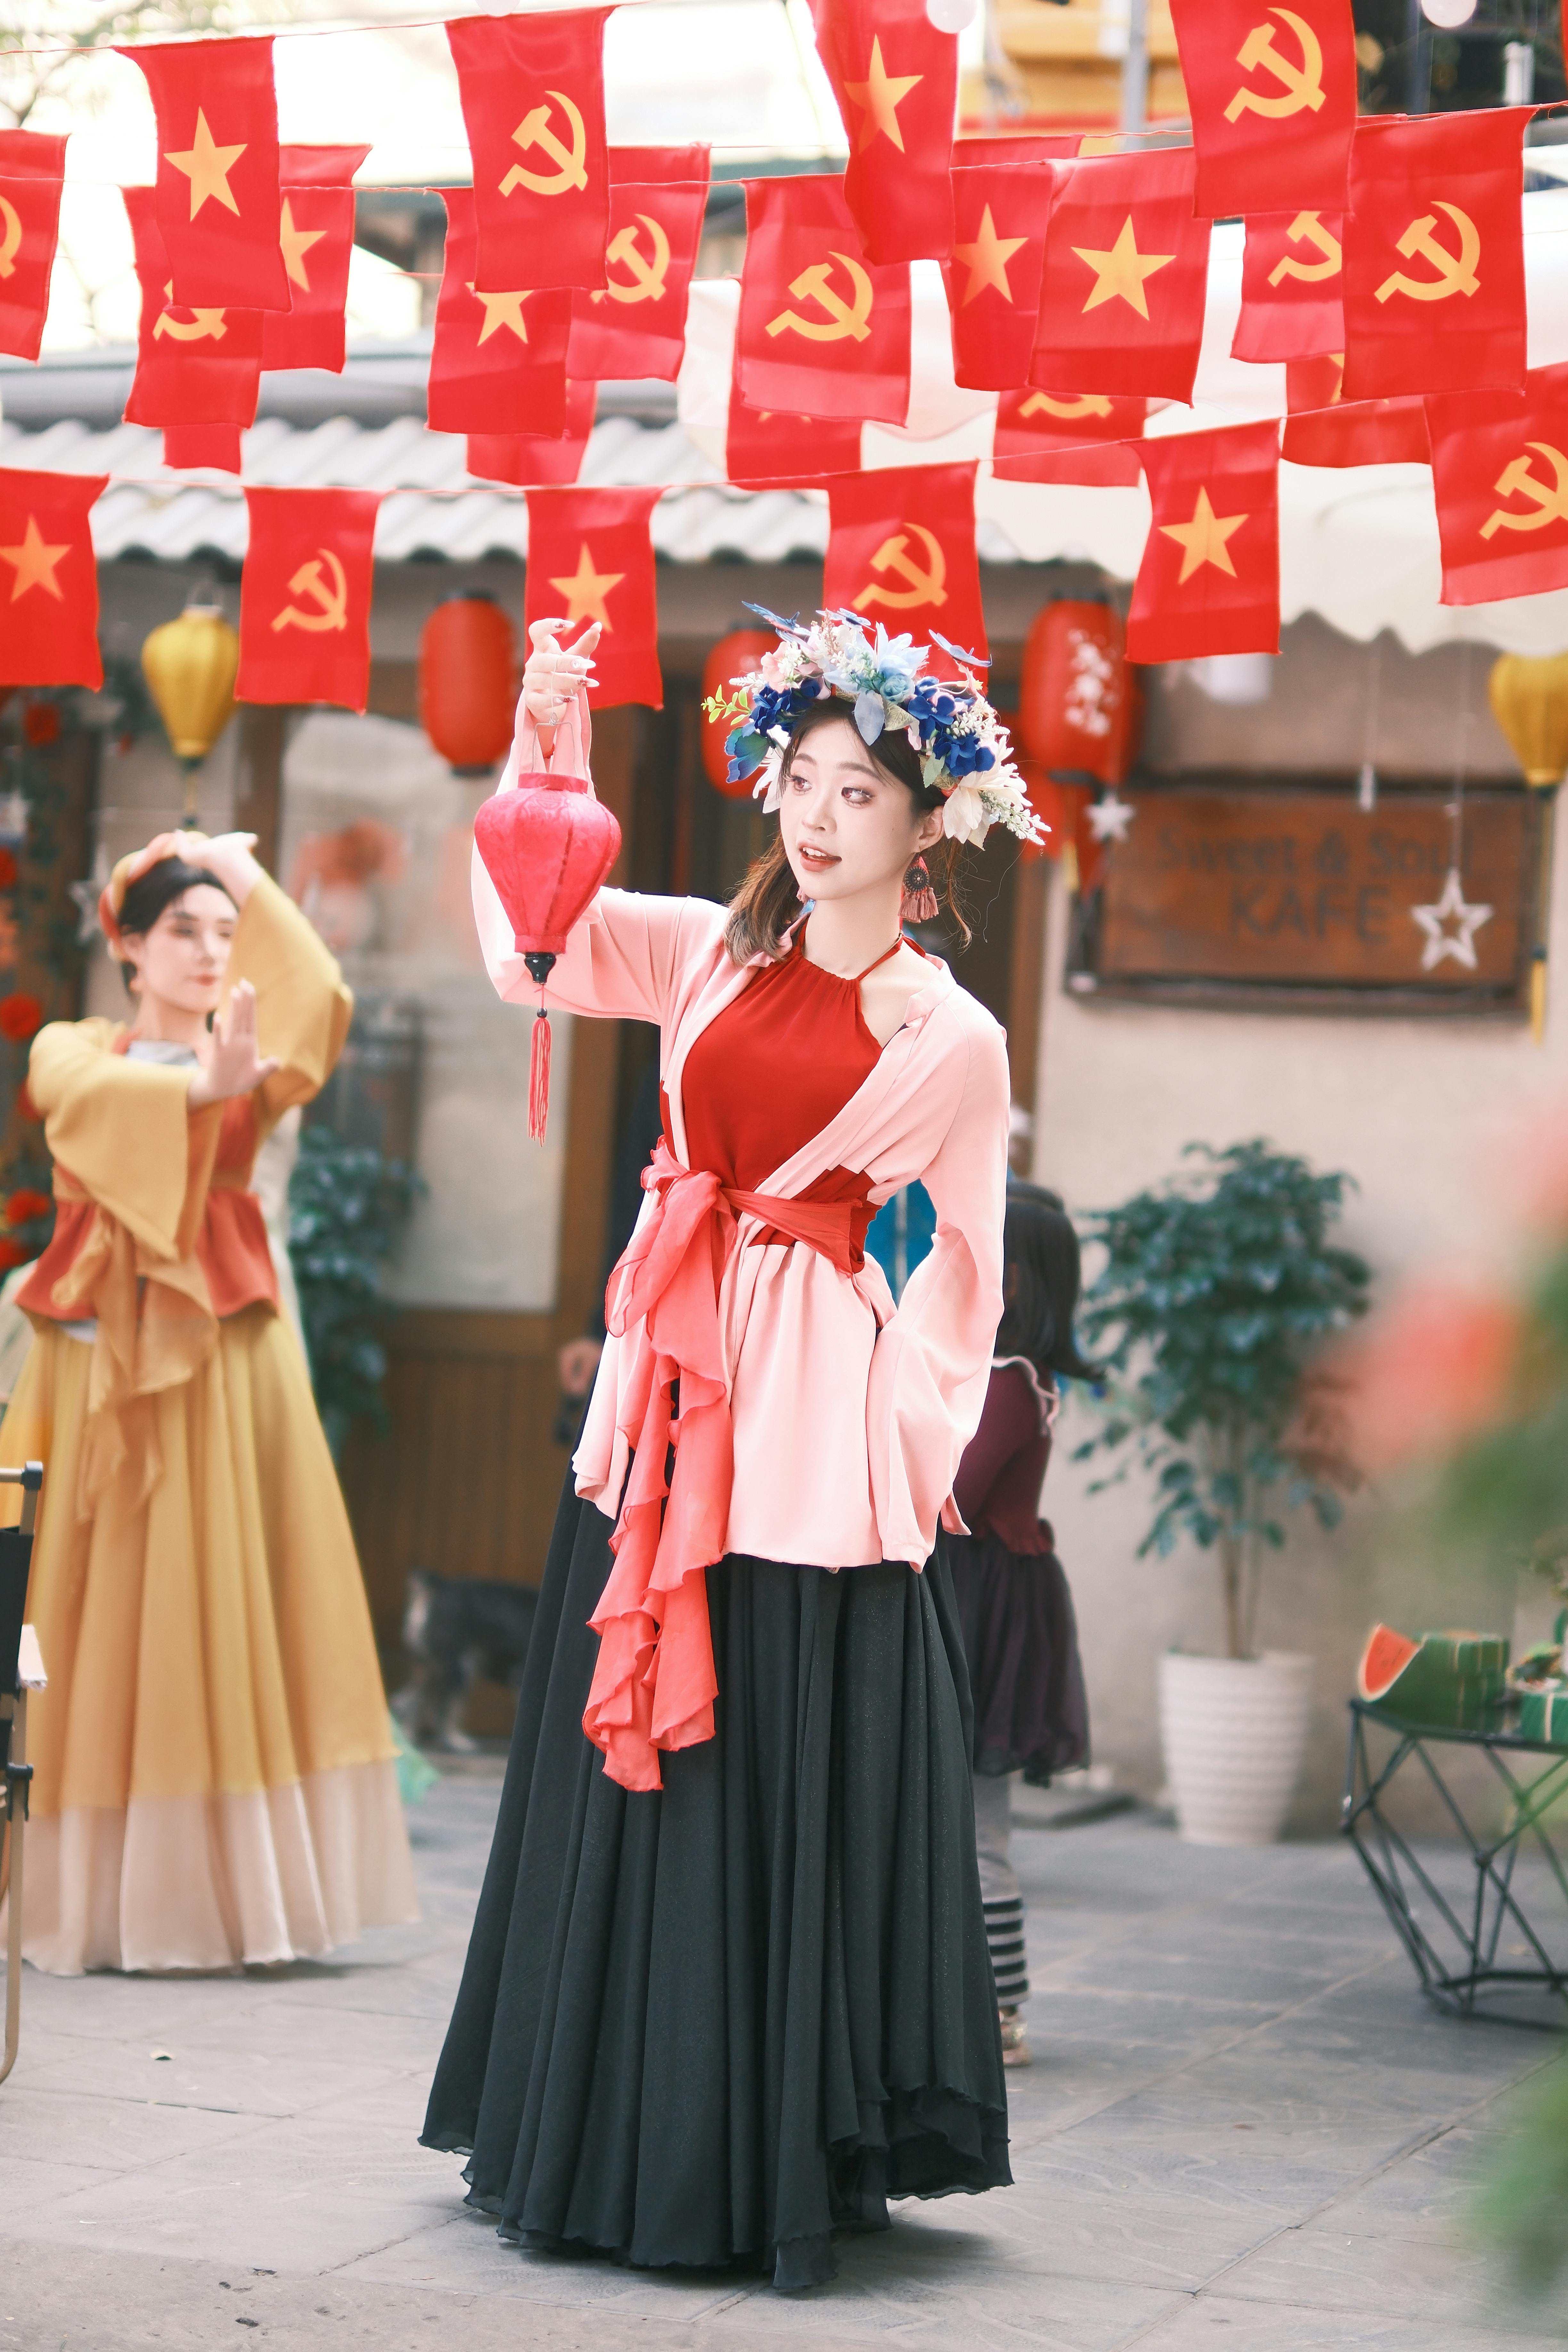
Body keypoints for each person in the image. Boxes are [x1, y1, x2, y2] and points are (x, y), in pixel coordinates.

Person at [421, 611, 1043, 2290]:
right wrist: (548, 750)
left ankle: (753, 2134)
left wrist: (904, 1446)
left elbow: (966, 1269)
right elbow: (530, 948)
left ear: (931, 832)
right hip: (669, 1378)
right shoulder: (704, 949)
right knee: (643, 1748)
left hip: (811, 1412)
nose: (821, 816)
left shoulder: (954, 1036)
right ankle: (607, 2120)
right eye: (803, 781)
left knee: (766, 1745)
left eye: (862, 793)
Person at [0, 830, 417, 1974]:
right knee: (84, 1607)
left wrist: (230, 869)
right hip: (96, 1354)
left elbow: (318, 993)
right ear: (128, 947)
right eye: (179, 929)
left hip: (223, 1353)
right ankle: (73, 1896)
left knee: (211, 1601)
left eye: (222, 935)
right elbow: (76, 1093)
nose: (205, 950)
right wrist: (196, 1087)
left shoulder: (261, 1055)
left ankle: (211, 1902)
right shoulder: (75, 1048)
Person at [947, 1182, 1095, 2070]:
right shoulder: (1017, 1378)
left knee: (975, 1826)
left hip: (979, 1604)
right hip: (997, 1596)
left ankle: (1001, 2012)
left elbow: (953, 1496)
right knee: (972, 1821)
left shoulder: (1008, 1382)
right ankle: (981, 2002)